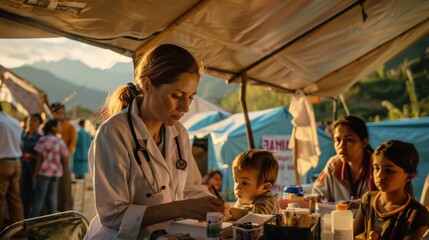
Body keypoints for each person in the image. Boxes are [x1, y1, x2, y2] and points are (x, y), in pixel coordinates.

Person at [86, 44, 226, 239]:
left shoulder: (179, 134)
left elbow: (190, 190)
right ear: (147, 85)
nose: (185, 107)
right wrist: (179, 208)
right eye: (176, 96)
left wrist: (220, 207)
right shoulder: (113, 133)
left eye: (191, 97)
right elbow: (113, 215)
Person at [353, 140, 429, 240]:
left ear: (410, 176)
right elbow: (351, 235)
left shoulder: (417, 214)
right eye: (376, 168)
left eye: (389, 170)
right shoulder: (368, 199)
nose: (380, 175)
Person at [311, 115, 377, 203]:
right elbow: (316, 195)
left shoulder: (377, 166)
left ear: (364, 143)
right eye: (337, 140)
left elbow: (383, 200)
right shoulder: (334, 164)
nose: (341, 146)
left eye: (349, 140)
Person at [29, 119, 69, 217]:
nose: (61, 128)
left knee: (39, 199)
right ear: (53, 128)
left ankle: (31, 222)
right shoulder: (60, 141)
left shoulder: (43, 139)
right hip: (56, 173)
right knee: (52, 199)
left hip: (44, 173)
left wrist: (35, 174)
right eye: (59, 126)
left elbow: (40, 158)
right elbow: (65, 158)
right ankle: (52, 224)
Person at [231, 149, 280, 215]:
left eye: (244, 183)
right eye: (236, 181)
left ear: (265, 187)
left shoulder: (268, 201)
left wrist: (230, 211)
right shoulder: (244, 199)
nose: (237, 187)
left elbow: (255, 216)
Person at [0, 103, 24, 229]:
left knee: (0, 199)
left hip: (3, 163)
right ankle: (18, 230)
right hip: (16, 162)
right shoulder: (14, 122)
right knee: (15, 198)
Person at [50, 102, 77, 211]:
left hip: (64, 161)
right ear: (52, 113)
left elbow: (72, 144)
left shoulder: (70, 127)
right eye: (57, 113)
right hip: (50, 162)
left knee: (64, 187)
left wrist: (65, 157)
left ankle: (66, 211)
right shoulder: (50, 126)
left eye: (62, 113)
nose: (60, 115)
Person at [20, 113, 43, 218]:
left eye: (34, 120)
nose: (31, 122)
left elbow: (40, 157)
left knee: (33, 195)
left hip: (34, 169)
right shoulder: (22, 135)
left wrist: (31, 156)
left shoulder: (40, 138)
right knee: (22, 194)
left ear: (39, 124)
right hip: (22, 168)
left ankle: (31, 219)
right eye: (30, 120)